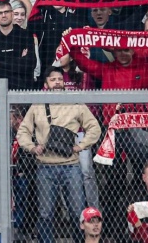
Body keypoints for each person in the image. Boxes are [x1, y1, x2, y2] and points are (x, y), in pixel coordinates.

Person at [16, 68, 101, 243]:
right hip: (45, 166)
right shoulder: (37, 105)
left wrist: (81, 146)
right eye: (53, 79)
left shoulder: (75, 103)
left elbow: (94, 127)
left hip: (71, 165)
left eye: (60, 79)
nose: (57, 82)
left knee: (77, 213)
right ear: (46, 84)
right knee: (45, 214)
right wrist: (32, 147)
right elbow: (23, 131)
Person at [0, 0, 36, 90]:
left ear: (12, 14)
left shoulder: (25, 35)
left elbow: (30, 64)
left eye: (6, 12)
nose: (3, 15)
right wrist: (19, 62)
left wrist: (0, 65)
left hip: (23, 90)